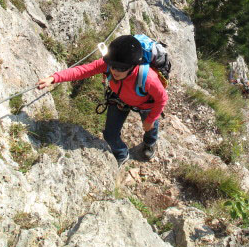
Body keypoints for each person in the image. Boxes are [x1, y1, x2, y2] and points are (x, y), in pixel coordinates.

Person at [37, 35, 167, 166]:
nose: (115, 71)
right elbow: (83, 70)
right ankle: (122, 153)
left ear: (133, 66)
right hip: (119, 99)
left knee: (150, 127)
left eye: (121, 68)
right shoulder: (108, 64)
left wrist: (150, 119)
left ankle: (149, 144)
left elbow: (162, 99)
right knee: (110, 134)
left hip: (145, 104)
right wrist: (54, 78)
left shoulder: (148, 78)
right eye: (113, 65)